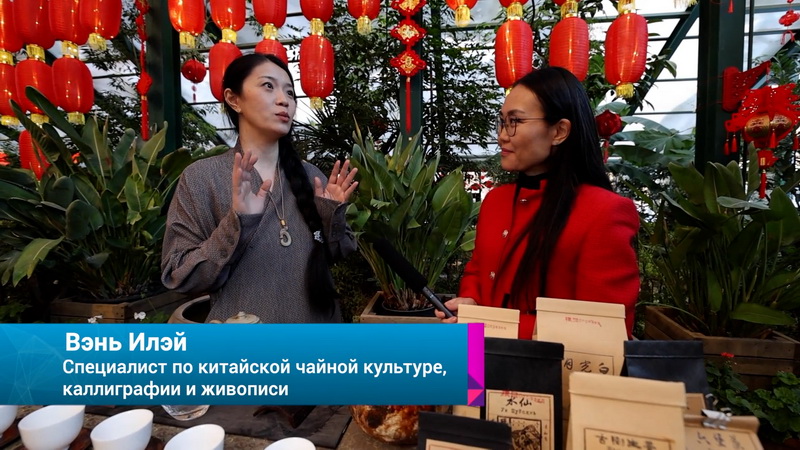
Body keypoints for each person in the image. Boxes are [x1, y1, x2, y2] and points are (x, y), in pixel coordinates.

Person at [436, 67, 639, 339]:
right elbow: (478, 269)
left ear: (559, 131)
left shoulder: (603, 212)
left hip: (548, 366)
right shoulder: (496, 201)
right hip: (480, 356)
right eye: (502, 121)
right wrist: (470, 301)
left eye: (515, 121)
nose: (502, 135)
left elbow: (604, 332)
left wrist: (489, 326)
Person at [161, 53, 358, 323]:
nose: (284, 100)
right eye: (268, 86)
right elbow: (178, 275)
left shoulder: (311, 176)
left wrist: (330, 216)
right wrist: (237, 223)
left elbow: (338, 254)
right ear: (234, 99)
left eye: (290, 92)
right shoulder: (202, 178)